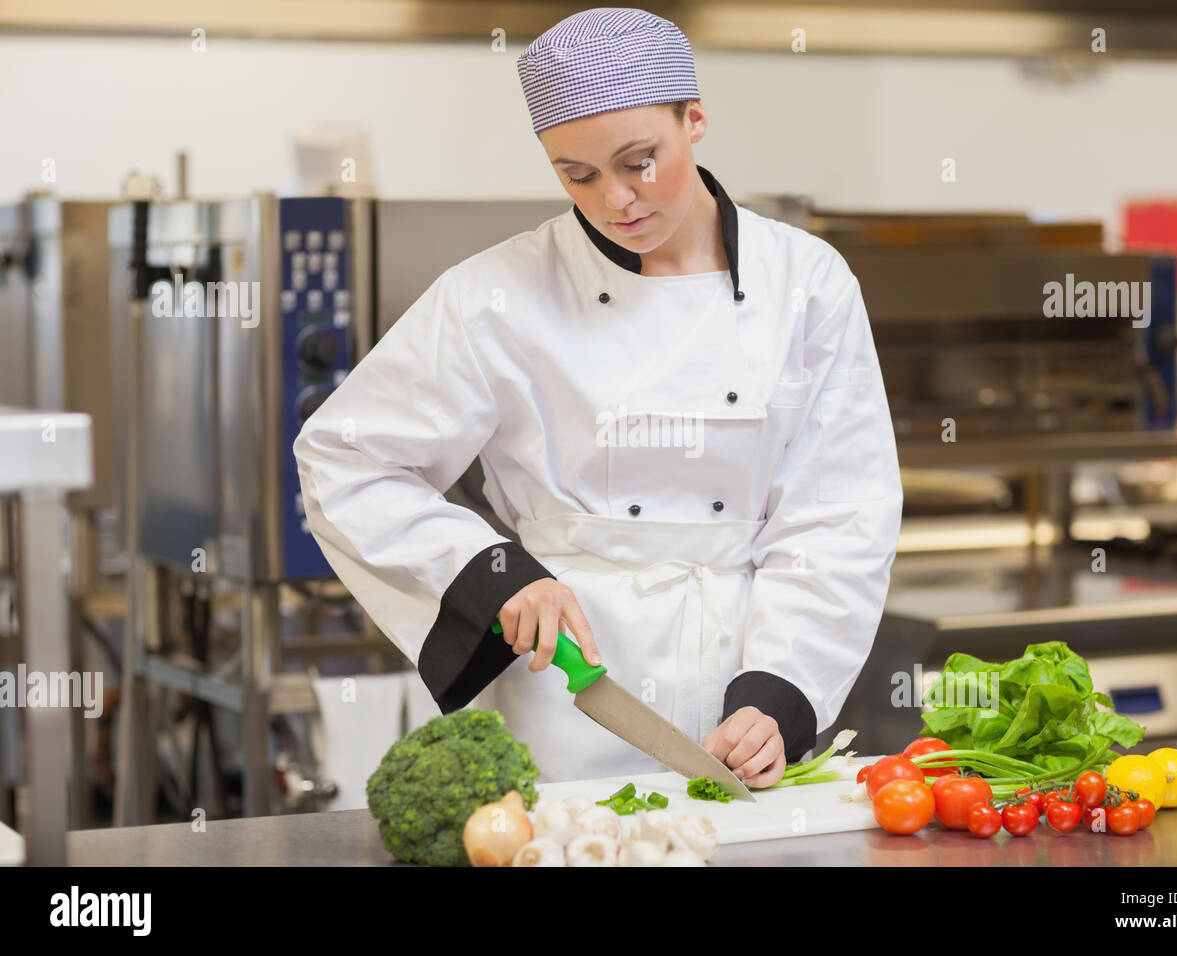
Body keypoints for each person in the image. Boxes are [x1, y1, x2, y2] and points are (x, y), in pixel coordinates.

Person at [293, 6, 903, 787]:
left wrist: (782, 694)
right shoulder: (496, 294)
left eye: (639, 161)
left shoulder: (808, 283)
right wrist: (491, 573)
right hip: (565, 700)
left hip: (744, 695)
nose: (616, 199)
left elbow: (839, 510)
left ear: (696, 120)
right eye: (576, 175)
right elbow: (345, 458)